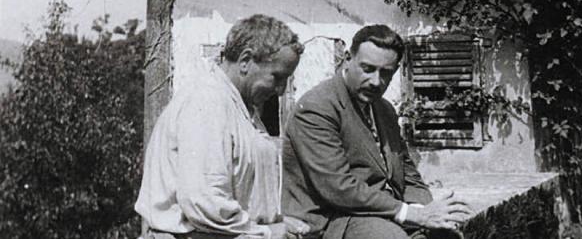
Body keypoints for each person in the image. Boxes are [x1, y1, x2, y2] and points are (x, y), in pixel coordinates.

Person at [282, 25, 471, 239]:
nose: (375, 81)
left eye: (386, 73)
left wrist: (427, 211)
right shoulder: (317, 107)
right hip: (335, 220)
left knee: (449, 234)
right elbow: (338, 188)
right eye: (368, 69)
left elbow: (407, 173)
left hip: (384, 213)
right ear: (347, 59)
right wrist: (411, 214)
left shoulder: (385, 109)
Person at [136, 14, 310, 239]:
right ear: (246, 60)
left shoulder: (241, 108)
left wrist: (278, 224)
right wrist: (266, 231)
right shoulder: (207, 102)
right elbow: (205, 200)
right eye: (276, 77)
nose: (281, 89)